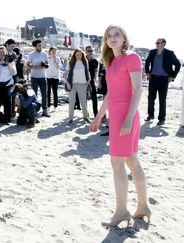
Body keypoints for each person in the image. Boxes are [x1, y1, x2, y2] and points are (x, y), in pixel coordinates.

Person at [91, 25, 151, 227]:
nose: (113, 38)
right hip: (116, 116)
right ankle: (142, 207)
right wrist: (99, 116)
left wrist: (128, 118)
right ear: (106, 41)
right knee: (132, 161)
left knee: (118, 163)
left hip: (127, 116)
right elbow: (111, 94)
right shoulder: (110, 62)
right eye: (109, 35)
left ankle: (121, 211)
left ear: (124, 38)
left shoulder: (132, 57)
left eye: (117, 34)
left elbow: (138, 90)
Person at [144, 38, 181, 126]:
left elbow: (178, 65)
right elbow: (147, 62)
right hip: (153, 78)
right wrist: (147, 72)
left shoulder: (169, 53)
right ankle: (150, 115)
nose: (156, 44)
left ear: (164, 44)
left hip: (164, 79)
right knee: (150, 98)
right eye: (156, 42)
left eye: (158, 43)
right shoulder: (152, 52)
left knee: (162, 99)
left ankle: (161, 119)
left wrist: (172, 76)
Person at [64, 48, 91, 124]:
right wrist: (68, 83)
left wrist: (89, 79)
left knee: (83, 102)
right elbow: (65, 74)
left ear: (82, 55)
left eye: (80, 54)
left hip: (83, 84)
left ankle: (85, 117)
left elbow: (87, 72)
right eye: (77, 54)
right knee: (72, 102)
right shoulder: (71, 63)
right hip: (72, 84)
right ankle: (70, 118)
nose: (79, 56)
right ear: (74, 55)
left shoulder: (85, 62)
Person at [26, 39, 50, 117]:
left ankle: (45, 110)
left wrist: (45, 64)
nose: (41, 47)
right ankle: (35, 110)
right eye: (39, 45)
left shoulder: (45, 54)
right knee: (34, 94)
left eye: (41, 45)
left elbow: (47, 63)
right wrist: (34, 67)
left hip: (43, 76)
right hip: (34, 77)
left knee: (44, 94)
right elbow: (27, 65)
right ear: (35, 46)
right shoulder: (31, 54)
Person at [46, 46, 61, 112]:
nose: (54, 52)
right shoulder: (47, 58)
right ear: (50, 51)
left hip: (55, 77)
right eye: (53, 51)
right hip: (48, 76)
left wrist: (55, 60)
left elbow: (58, 67)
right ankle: (48, 105)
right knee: (48, 92)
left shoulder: (58, 58)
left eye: (55, 51)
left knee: (55, 92)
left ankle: (55, 106)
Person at [86, 46, 99, 116]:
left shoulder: (95, 61)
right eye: (89, 51)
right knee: (84, 99)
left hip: (92, 81)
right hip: (84, 81)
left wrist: (96, 80)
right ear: (86, 51)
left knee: (94, 98)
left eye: (91, 51)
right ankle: (86, 113)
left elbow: (96, 71)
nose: (90, 52)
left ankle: (95, 113)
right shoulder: (83, 60)